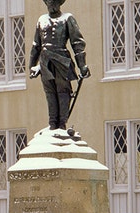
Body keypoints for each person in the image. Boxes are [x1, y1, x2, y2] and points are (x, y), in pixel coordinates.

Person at [30, 0, 90, 130]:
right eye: (49, 3)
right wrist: (33, 66)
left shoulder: (68, 18)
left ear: (59, 3)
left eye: (54, 2)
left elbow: (77, 43)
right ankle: (52, 123)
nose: (52, 5)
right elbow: (36, 45)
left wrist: (82, 65)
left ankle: (62, 123)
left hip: (62, 60)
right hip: (45, 61)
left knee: (63, 91)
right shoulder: (41, 19)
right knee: (49, 92)